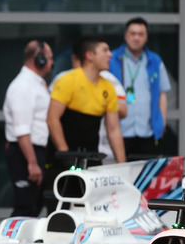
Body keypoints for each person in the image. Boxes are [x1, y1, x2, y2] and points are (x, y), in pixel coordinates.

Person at [47, 36, 126, 165]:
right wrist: (66, 154)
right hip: (64, 158)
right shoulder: (67, 80)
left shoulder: (109, 87)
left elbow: (114, 130)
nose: (110, 55)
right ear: (90, 56)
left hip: (91, 157)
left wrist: (122, 165)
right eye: (105, 51)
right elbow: (52, 119)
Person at [3, 40, 54, 217]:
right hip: (24, 152)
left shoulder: (36, 84)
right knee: (25, 206)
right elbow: (22, 129)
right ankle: (12, 243)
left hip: (34, 151)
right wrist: (32, 163)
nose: (52, 62)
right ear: (39, 59)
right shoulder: (23, 86)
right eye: (49, 57)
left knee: (34, 206)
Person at [108, 17, 172, 157]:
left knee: (147, 175)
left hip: (147, 130)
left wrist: (161, 123)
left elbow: (162, 94)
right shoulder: (112, 59)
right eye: (132, 33)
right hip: (119, 130)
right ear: (125, 35)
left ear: (146, 37)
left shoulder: (154, 61)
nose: (136, 38)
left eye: (141, 34)